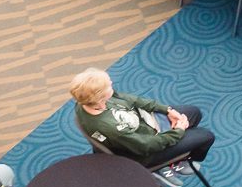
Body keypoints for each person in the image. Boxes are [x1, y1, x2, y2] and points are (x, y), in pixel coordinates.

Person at [68, 69, 214, 165]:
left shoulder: (87, 101)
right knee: (206, 136)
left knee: (194, 113)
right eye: (108, 85)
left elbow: (132, 100)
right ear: (100, 97)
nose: (111, 83)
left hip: (145, 125)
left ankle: (179, 149)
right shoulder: (112, 127)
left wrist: (167, 110)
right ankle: (180, 162)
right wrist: (178, 132)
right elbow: (146, 146)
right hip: (145, 152)